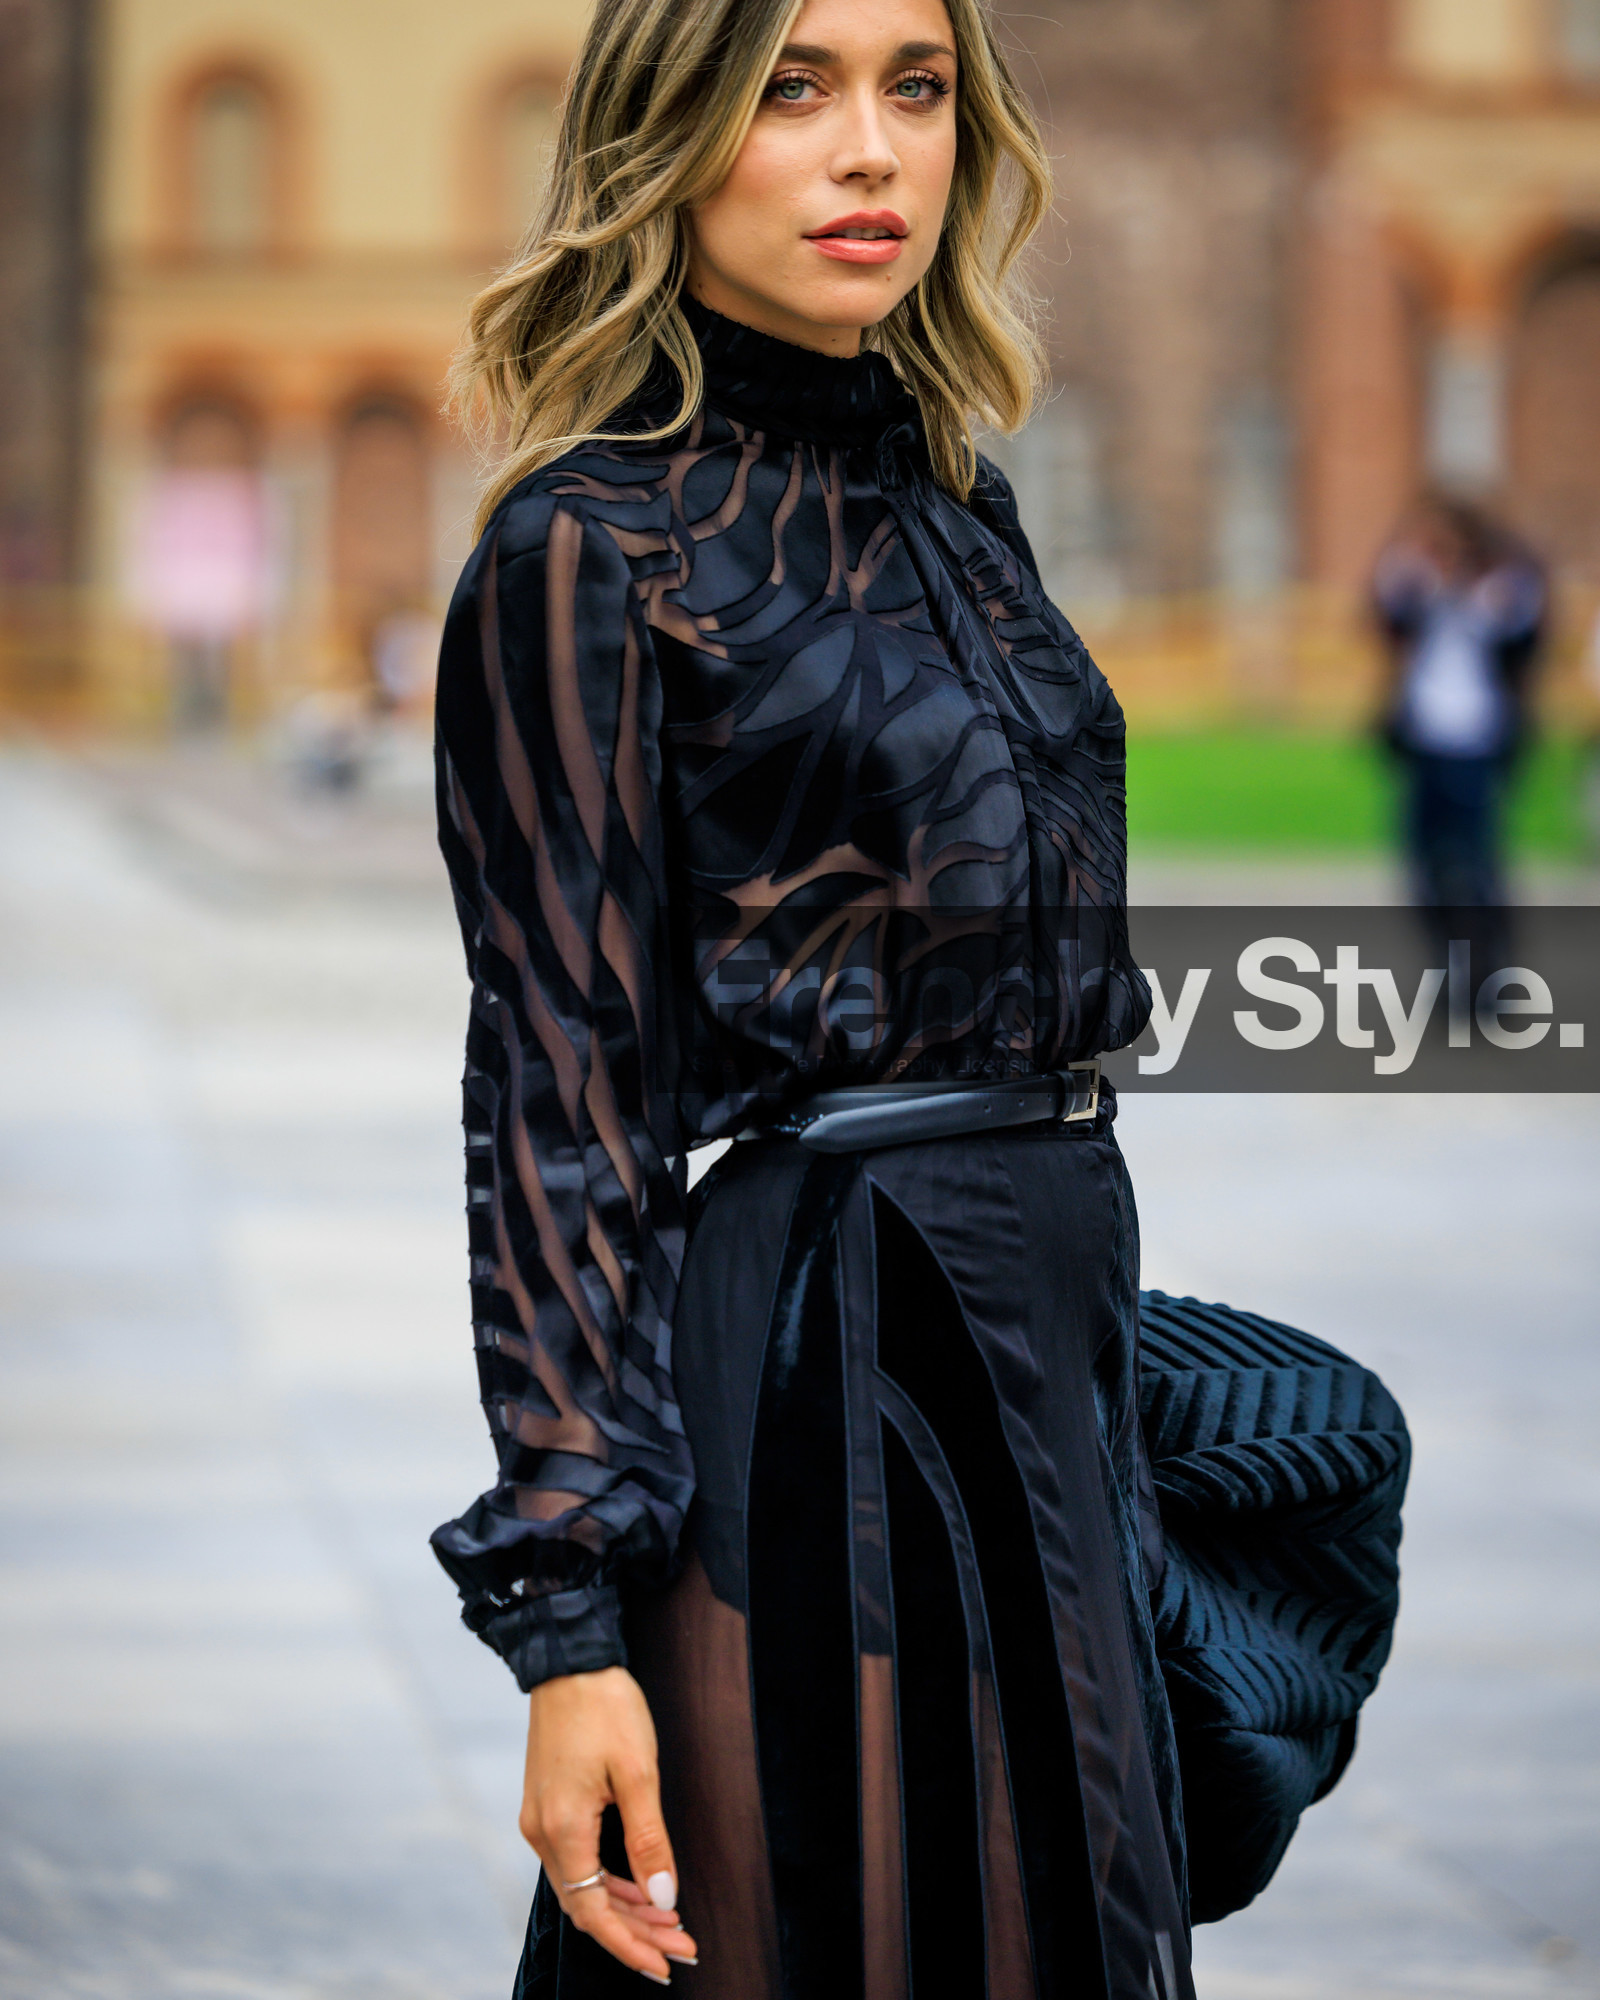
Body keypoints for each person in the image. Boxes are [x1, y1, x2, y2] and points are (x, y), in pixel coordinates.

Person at [428, 2, 1401, 1993]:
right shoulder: (589, 547)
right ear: (667, 136)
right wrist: (565, 1631)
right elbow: (556, 1091)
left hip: (1035, 1310)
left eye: (914, 85)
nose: (867, 148)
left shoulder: (962, 508)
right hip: (817, 1368)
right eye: (791, 87)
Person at [1373, 493, 1547, 910]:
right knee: (1423, 858)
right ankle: (1446, 951)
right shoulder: (1421, 594)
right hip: (1424, 737)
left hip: (1476, 739)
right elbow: (1383, 606)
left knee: (1474, 859)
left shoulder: (1496, 595)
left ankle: (1484, 958)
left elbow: (1523, 631)